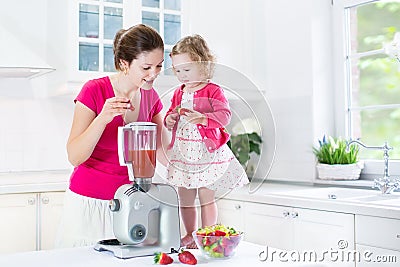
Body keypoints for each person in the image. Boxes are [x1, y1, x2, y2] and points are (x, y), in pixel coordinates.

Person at [55, 24, 166, 248]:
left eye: (159, 66)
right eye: (146, 67)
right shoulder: (94, 90)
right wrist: (103, 118)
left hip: (132, 204)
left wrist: (179, 126)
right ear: (125, 64)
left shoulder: (151, 97)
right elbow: (74, 156)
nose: (153, 74)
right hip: (89, 205)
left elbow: (164, 154)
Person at [164, 34, 249, 248]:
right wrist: (170, 118)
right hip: (184, 153)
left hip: (206, 153)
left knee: (206, 197)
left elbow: (225, 116)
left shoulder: (212, 90)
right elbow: (169, 118)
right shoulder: (178, 93)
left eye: (187, 69)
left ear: (203, 65)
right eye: (177, 70)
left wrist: (204, 118)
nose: (182, 75)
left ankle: (206, 234)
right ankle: (190, 233)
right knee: (184, 197)